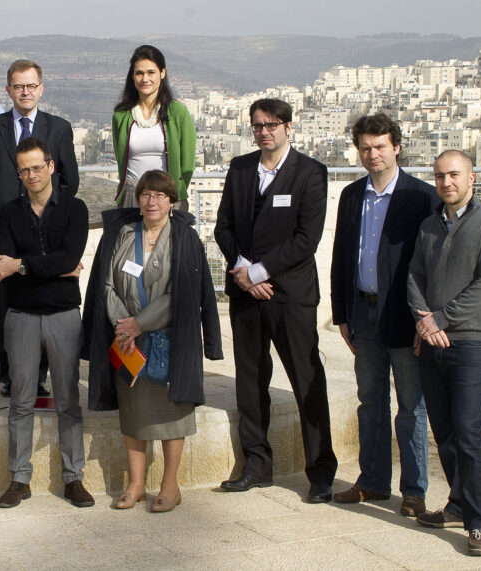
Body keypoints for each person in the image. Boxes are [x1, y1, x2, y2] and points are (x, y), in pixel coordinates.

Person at [213, 98, 338, 503]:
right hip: (246, 292)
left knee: (307, 382)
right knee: (250, 383)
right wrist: (244, 271)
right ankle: (256, 466)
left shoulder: (311, 173)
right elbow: (223, 227)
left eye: (272, 124)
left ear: (288, 127)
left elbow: (307, 239)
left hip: (290, 295)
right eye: (257, 125)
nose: (264, 131)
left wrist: (261, 272)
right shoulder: (240, 168)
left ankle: (320, 473)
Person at [83, 170, 223, 513]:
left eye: (160, 195)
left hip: (168, 340)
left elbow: (184, 294)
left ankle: (170, 486)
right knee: (133, 414)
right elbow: (106, 284)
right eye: (146, 194)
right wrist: (123, 326)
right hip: (127, 342)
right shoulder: (123, 235)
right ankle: (135, 484)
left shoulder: (185, 240)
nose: (152, 201)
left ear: (172, 201)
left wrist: (139, 323)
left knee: (172, 414)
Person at [329, 114, 438, 516]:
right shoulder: (353, 195)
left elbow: (429, 266)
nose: (372, 154)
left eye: (380, 146)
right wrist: (342, 313)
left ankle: (413, 490)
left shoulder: (422, 197)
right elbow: (343, 255)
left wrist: (425, 320)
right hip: (362, 311)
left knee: (411, 406)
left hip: (405, 318)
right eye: (365, 148)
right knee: (369, 400)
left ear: (396, 147)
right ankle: (372, 482)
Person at [407, 150, 481, 557]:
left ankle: (480, 523)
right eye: (439, 176)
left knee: (469, 433)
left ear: (472, 178)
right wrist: (422, 320)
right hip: (431, 341)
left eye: (454, 175)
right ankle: (456, 504)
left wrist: (440, 319)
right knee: (446, 433)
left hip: (471, 342)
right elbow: (414, 275)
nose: (446, 182)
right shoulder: (430, 225)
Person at [0, 138, 92, 509]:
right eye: (24, 170)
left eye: (37, 167)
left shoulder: (75, 210)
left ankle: (73, 478)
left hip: (64, 315)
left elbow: (70, 256)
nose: (31, 175)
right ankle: (19, 479)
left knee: (68, 399)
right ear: (18, 174)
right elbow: (1, 265)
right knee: (20, 400)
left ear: (51, 166)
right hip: (20, 317)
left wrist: (21, 264)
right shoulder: (8, 213)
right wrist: (53, 269)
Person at [0, 59, 80, 392]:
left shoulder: (59, 128)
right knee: (7, 303)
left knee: (44, 296)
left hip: (47, 231)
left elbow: (70, 180)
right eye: (18, 86)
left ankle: (39, 377)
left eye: (31, 85)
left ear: (41, 89)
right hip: (3, 230)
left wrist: (48, 215)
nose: (25, 92)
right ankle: (13, 377)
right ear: (8, 90)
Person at [111, 45, 196, 210]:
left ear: (162, 73)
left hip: (167, 195)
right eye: (139, 73)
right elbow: (121, 157)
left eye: (151, 72)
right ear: (132, 77)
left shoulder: (178, 112)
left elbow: (187, 163)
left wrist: (173, 191)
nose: (145, 79)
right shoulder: (121, 116)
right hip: (131, 195)